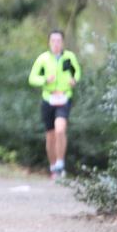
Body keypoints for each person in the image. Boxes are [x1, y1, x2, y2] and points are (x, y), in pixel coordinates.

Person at [28, 30, 81, 179]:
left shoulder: (69, 57)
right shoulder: (43, 59)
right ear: (49, 42)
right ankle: (53, 167)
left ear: (62, 42)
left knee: (60, 130)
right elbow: (32, 78)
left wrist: (74, 80)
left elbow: (76, 72)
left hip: (64, 98)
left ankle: (60, 163)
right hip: (48, 99)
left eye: (58, 41)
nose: (56, 44)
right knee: (50, 136)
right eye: (53, 41)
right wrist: (45, 80)